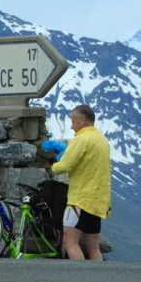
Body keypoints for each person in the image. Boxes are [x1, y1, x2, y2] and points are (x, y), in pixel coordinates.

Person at [48, 104, 111, 260]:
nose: (71, 125)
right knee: (94, 247)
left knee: (70, 243)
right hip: (98, 202)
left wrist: (53, 165)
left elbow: (65, 165)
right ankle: (96, 280)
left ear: (82, 121)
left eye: (73, 120)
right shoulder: (102, 140)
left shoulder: (81, 139)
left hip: (79, 200)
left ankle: (80, 279)